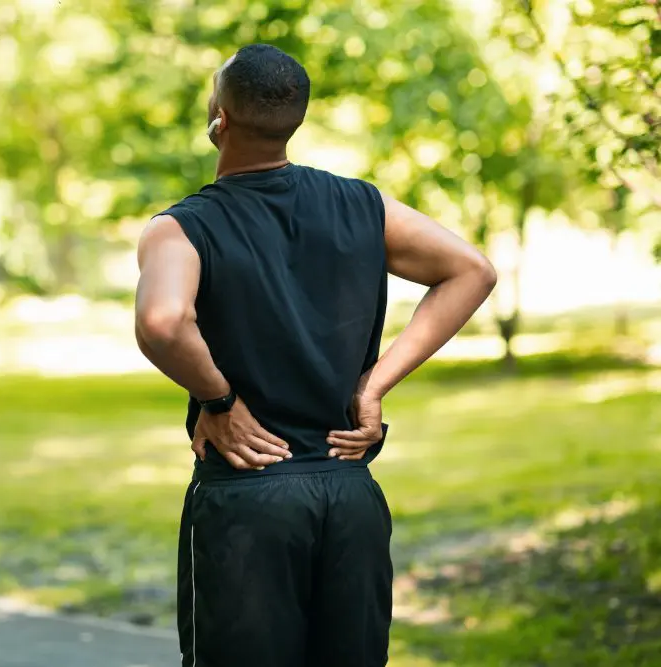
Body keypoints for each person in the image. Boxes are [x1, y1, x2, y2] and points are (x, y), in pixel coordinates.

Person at [134, 44, 497, 667]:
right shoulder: (364, 206)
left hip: (249, 496)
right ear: (294, 119)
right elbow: (472, 271)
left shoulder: (181, 227)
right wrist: (374, 386)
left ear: (219, 119)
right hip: (350, 494)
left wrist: (219, 398)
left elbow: (163, 322)